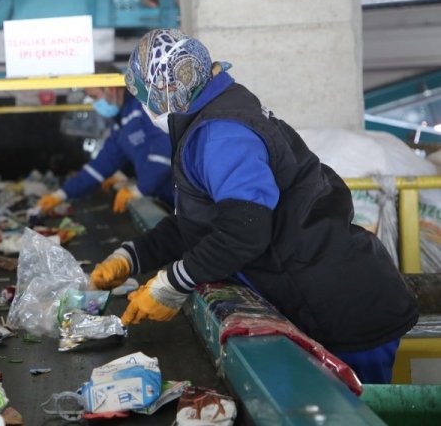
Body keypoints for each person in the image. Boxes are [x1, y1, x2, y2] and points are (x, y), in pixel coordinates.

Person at [90, 29, 418, 384]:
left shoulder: (222, 134)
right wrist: (133, 255)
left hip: (344, 307)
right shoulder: (211, 118)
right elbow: (201, 222)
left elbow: (244, 230)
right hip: (319, 291)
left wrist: (172, 283)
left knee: (356, 413)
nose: (145, 107)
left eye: (146, 96)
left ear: (168, 88)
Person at [36, 69, 173, 215]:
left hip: (178, 193)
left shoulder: (143, 107)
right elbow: (103, 163)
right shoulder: (121, 123)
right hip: (162, 197)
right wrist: (61, 194)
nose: (95, 104)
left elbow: (166, 148)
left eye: (95, 97)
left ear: (111, 89)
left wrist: (140, 188)